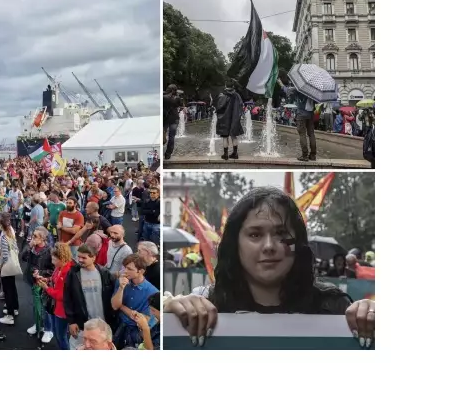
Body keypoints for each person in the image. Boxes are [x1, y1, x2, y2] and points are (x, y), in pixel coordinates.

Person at [164, 187, 376, 349]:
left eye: (282, 234)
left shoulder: (334, 306)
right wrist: (171, 316)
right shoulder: (205, 305)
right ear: (234, 243)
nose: (269, 246)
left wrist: (369, 317)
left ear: (298, 242)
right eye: (255, 235)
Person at [63, 244, 115, 341]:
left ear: (93, 258)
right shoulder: (73, 273)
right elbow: (67, 298)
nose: (80, 260)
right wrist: (72, 321)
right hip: (82, 325)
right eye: (78, 257)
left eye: (84, 257)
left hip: (103, 324)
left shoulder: (104, 273)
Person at [111, 254, 159, 349]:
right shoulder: (121, 281)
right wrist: (121, 288)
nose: (125, 271)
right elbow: (115, 306)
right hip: (119, 328)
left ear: (140, 271)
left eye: (130, 269)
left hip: (137, 333)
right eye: (125, 268)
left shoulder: (152, 292)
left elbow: (146, 319)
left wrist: (122, 307)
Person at [37, 242, 74, 350]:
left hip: (61, 310)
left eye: (54, 260)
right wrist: (47, 280)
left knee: (61, 336)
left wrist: (46, 288)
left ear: (62, 258)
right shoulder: (59, 268)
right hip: (55, 307)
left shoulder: (67, 272)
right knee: (57, 333)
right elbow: (54, 280)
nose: (52, 262)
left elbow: (62, 295)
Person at [278, 72, 317, 161]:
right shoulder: (313, 89)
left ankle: (304, 155)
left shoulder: (300, 88)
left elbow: (287, 91)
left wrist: (280, 83)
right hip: (310, 114)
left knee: (302, 134)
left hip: (301, 114)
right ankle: (313, 155)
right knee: (311, 134)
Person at [0, 215, 20, 328]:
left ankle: (10, 316)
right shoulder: (11, 232)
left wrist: (0, 266)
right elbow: (16, 248)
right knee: (12, 287)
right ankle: (15, 308)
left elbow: (5, 254)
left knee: (7, 290)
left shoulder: (3, 236)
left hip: (6, 265)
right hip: (13, 264)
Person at [213, 83, 245, 160]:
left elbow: (219, 106)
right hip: (234, 118)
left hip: (225, 118)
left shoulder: (223, 95)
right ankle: (235, 154)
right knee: (234, 136)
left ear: (225, 86)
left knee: (225, 137)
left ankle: (225, 155)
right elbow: (241, 105)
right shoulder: (237, 95)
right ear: (233, 87)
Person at [163, 84, 181, 160]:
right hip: (174, 119)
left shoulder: (163, 97)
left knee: (163, 134)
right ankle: (168, 154)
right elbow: (179, 104)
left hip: (165, 119)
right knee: (171, 137)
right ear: (174, 90)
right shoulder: (177, 98)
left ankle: (163, 142)